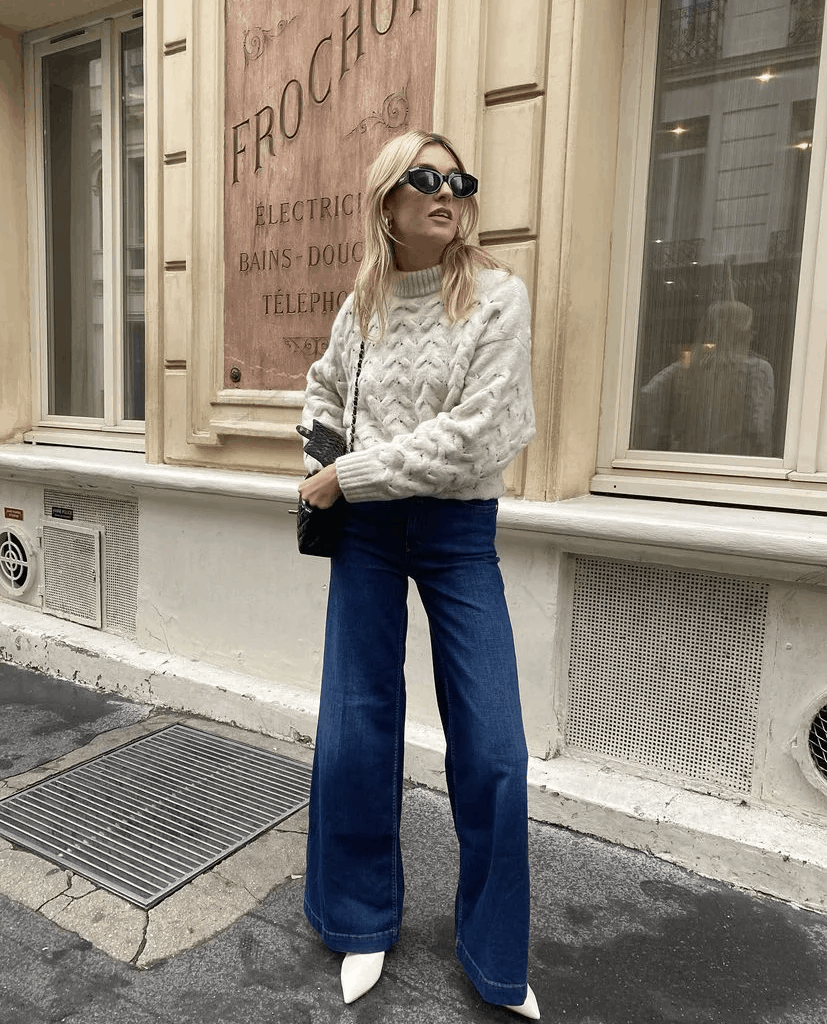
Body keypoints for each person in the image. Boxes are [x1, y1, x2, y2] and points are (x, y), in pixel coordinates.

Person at [297, 129, 539, 1019]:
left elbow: (482, 432)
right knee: (357, 728)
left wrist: (348, 473)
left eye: (458, 180)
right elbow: (321, 390)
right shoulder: (360, 301)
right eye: (425, 178)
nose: (447, 191)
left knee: (495, 746)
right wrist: (320, 449)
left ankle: (495, 954)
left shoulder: (497, 297)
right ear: (386, 201)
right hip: (363, 530)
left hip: (454, 530)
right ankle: (358, 920)